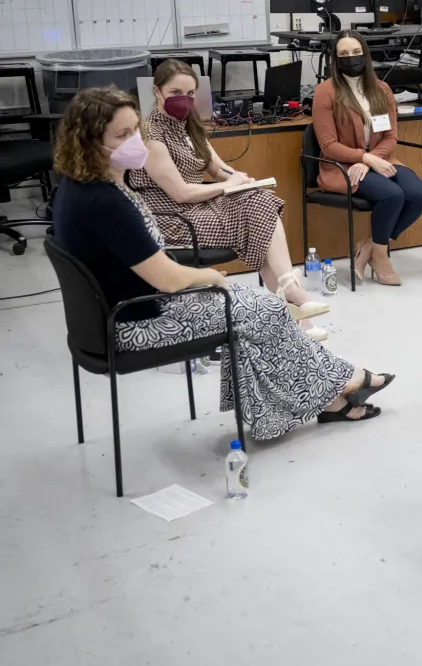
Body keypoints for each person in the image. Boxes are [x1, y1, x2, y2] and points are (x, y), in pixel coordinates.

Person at [51, 88, 395, 434]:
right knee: (265, 310)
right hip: (136, 325)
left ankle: (335, 395)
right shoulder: (105, 204)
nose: (135, 141)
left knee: (260, 308)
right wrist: (209, 277)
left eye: (135, 130)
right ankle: (344, 383)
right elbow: (168, 280)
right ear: (90, 142)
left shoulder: (77, 187)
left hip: (123, 312)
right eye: (122, 135)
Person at [130, 60, 331, 340]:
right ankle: (294, 305)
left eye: (190, 94)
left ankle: (292, 303)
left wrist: (239, 178)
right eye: (176, 92)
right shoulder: (151, 134)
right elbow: (180, 193)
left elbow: (216, 167)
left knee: (258, 199)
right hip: (171, 217)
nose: (184, 100)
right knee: (255, 221)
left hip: (198, 206)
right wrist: (227, 187)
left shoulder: (189, 124)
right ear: (157, 91)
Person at [312, 30, 422, 287]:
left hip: (378, 160)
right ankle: (381, 255)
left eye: (356, 53)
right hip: (341, 166)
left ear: (365, 55)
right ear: (335, 59)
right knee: (392, 195)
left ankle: (370, 245)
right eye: (343, 54)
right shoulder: (326, 91)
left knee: (419, 194)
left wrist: (371, 160)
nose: (351, 58)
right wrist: (364, 159)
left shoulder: (381, 89)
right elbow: (328, 145)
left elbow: (390, 137)